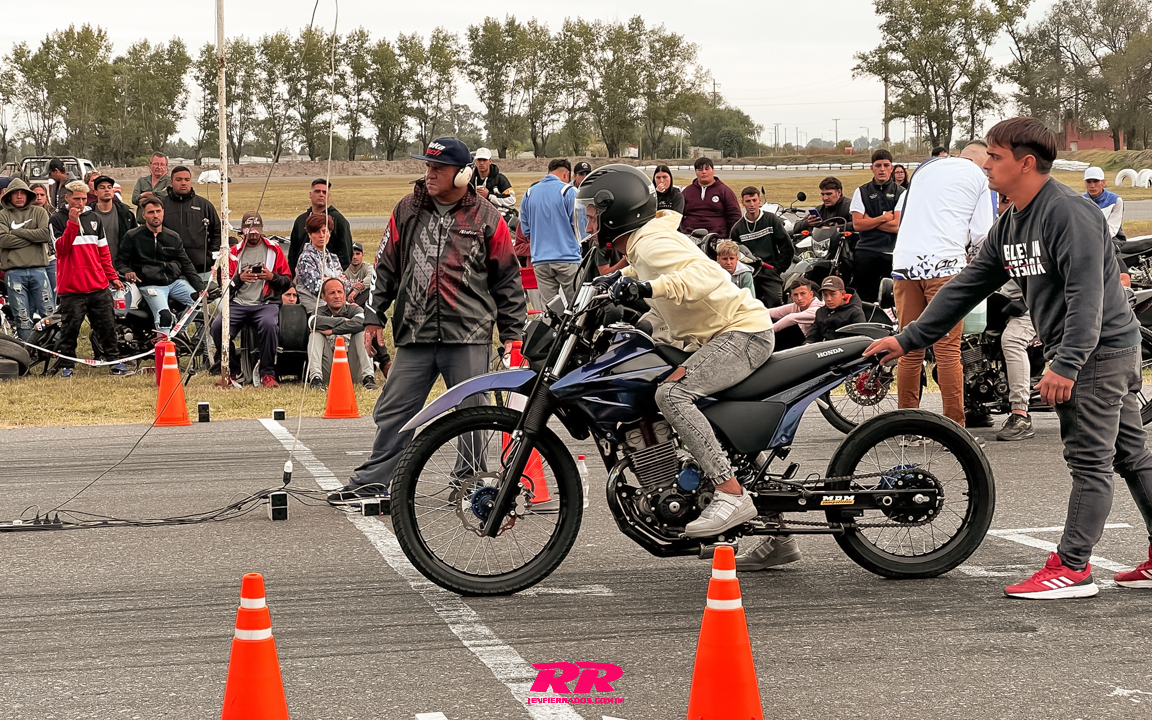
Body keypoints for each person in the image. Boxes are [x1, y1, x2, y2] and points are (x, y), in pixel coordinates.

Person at [865, 117, 1152, 599]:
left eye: (995, 158)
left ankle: (1072, 568)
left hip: (1099, 351)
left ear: (1026, 162)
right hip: (1091, 351)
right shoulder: (1012, 222)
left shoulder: (1069, 214)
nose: (987, 167)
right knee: (1130, 455)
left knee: (1089, 460)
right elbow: (965, 286)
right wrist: (908, 339)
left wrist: (1066, 363)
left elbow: (1088, 296)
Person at [579, 164, 780, 551]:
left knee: (671, 395)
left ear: (614, 213)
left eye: (592, 215)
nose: (588, 225)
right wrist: (619, 279)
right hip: (721, 333)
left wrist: (645, 288)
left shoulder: (651, 243)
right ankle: (777, 535)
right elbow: (650, 267)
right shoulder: (642, 245)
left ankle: (731, 492)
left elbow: (706, 276)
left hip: (742, 333)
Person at [327, 137, 526, 505]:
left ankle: (469, 484)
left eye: (438, 168)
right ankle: (374, 482)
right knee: (393, 410)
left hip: (468, 334)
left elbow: (508, 279)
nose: (429, 174)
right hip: (414, 333)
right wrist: (373, 317)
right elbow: (385, 267)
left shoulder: (487, 217)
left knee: (473, 414)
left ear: (462, 174)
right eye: (428, 167)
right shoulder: (407, 209)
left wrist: (513, 332)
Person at [888, 141, 995, 427]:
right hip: (944, 265)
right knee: (947, 352)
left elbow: (904, 214)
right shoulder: (981, 178)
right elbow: (982, 234)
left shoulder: (926, 167)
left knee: (909, 349)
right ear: (985, 160)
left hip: (905, 264)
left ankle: (906, 428)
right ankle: (955, 428)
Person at [48, 181, 126, 377]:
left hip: (98, 285)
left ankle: (114, 361)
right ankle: (67, 365)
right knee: (70, 329)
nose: (80, 203)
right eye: (76, 199)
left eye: (83, 198)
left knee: (107, 326)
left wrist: (112, 277)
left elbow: (104, 252)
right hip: (72, 288)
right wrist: (72, 224)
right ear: (67, 198)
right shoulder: (56, 220)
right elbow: (61, 249)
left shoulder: (94, 218)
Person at [210, 211, 291, 389]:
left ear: (261, 230)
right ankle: (232, 371)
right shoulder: (233, 253)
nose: (253, 235)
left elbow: (287, 281)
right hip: (238, 303)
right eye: (249, 232)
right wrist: (239, 279)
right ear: (243, 231)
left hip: (266, 303)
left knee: (269, 325)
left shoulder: (274, 250)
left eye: (256, 231)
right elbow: (224, 286)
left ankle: (267, 373)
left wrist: (271, 277)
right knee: (217, 327)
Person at [116, 197, 206, 335]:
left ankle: (177, 333)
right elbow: (120, 261)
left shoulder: (173, 237)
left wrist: (200, 287)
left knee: (198, 301)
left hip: (174, 282)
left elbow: (186, 263)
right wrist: (127, 271)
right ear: (143, 215)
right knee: (164, 316)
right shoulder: (133, 236)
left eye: (158, 211)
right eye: (151, 212)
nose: (155, 215)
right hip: (150, 284)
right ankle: (162, 346)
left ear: (163, 212)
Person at [520, 158, 581, 306]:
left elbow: (526, 230)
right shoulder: (569, 191)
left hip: (540, 259)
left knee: (551, 309)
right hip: (567, 257)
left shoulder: (529, 193)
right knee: (577, 307)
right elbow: (579, 227)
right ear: (566, 174)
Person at [0, 179, 55, 339]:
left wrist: (16, 232)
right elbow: (3, 240)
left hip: (39, 270)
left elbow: (44, 235)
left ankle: (51, 346)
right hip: (14, 272)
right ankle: (26, 349)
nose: (19, 196)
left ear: (28, 195)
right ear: (9, 196)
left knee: (48, 313)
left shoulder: (39, 212)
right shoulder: (3, 215)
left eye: (22, 193)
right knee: (22, 316)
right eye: (15, 193)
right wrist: (32, 237)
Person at [849, 149, 903, 302]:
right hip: (866, 251)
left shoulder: (902, 192)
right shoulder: (861, 191)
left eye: (886, 165)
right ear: (872, 168)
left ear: (891, 168)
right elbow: (857, 225)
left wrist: (869, 220)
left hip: (891, 252)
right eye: (878, 165)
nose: (882, 169)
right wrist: (883, 218)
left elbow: (895, 226)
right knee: (865, 298)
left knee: (892, 299)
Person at [306, 277, 376, 390]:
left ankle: (368, 378)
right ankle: (316, 379)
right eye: (332, 293)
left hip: (352, 366)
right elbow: (312, 322)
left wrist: (332, 331)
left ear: (344, 294)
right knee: (315, 334)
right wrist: (343, 320)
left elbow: (363, 322)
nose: (337, 296)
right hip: (329, 368)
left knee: (361, 332)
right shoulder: (319, 311)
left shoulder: (354, 310)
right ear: (323, 296)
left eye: (340, 292)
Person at [729, 186, 793, 308]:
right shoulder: (737, 229)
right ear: (742, 202)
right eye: (748, 201)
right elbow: (735, 255)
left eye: (754, 200)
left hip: (770, 272)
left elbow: (786, 246)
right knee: (748, 305)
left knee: (776, 302)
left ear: (760, 200)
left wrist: (778, 268)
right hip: (749, 274)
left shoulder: (771, 220)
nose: (752, 204)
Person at [161, 166, 221, 279]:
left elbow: (217, 231)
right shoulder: (161, 206)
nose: (183, 183)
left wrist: (209, 257)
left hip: (201, 270)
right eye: (179, 180)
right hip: (170, 271)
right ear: (171, 182)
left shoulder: (205, 205)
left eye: (187, 179)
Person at [288, 179, 353, 272]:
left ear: (328, 196)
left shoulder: (338, 221)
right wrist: (293, 274)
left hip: (329, 275)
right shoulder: (301, 220)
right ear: (310, 194)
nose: (321, 194)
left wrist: (333, 276)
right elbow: (293, 251)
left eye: (324, 192)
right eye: (317, 191)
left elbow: (345, 253)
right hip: (301, 274)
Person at [295, 213, 348, 311]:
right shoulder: (305, 259)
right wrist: (337, 279)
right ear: (310, 235)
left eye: (324, 231)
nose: (321, 235)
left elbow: (347, 286)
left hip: (338, 304)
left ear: (329, 233)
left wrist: (326, 279)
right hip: (317, 307)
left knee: (360, 314)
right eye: (316, 232)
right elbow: (317, 288)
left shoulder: (333, 258)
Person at [679, 157, 741, 237]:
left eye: (707, 169)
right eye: (700, 169)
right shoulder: (687, 192)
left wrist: (732, 237)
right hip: (689, 236)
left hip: (717, 237)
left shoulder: (724, 191)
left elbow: (735, 215)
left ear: (713, 170)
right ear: (696, 172)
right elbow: (677, 215)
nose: (704, 172)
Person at [88, 175, 138, 262]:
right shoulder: (88, 215)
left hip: (119, 264)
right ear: (96, 192)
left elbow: (134, 241)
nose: (106, 190)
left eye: (109, 187)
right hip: (95, 264)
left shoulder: (126, 215)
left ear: (113, 191)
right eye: (102, 187)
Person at [806, 276, 864, 344]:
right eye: (825, 295)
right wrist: (807, 344)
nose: (828, 299)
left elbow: (859, 338)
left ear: (842, 294)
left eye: (833, 294)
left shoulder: (855, 312)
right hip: (823, 348)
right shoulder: (820, 312)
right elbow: (814, 335)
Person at [769, 278, 824, 350]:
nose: (799, 298)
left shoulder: (818, 309)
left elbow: (791, 318)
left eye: (802, 294)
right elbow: (772, 312)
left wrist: (765, 331)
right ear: (792, 297)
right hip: (801, 340)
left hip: (815, 343)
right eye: (795, 295)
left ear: (811, 294)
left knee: (788, 328)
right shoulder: (796, 306)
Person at [1083, 166, 1124, 242]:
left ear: (1103, 182)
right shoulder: (1080, 201)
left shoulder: (1116, 200)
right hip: (1086, 239)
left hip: (1110, 239)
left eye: (1096, 181)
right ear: (1085, 183)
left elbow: (1112, 228)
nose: (1092, 186)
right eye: (1089, 182)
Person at [345, 241, 373, 306]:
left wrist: (356, 290)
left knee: (371, 288)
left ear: (362, 255)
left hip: (361, 300)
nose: (354, 257)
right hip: (346, 299)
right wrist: (352, 286)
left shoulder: (367, 267)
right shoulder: (344, 268)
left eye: (358, 254)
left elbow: (372, 276)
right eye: (352, 254)